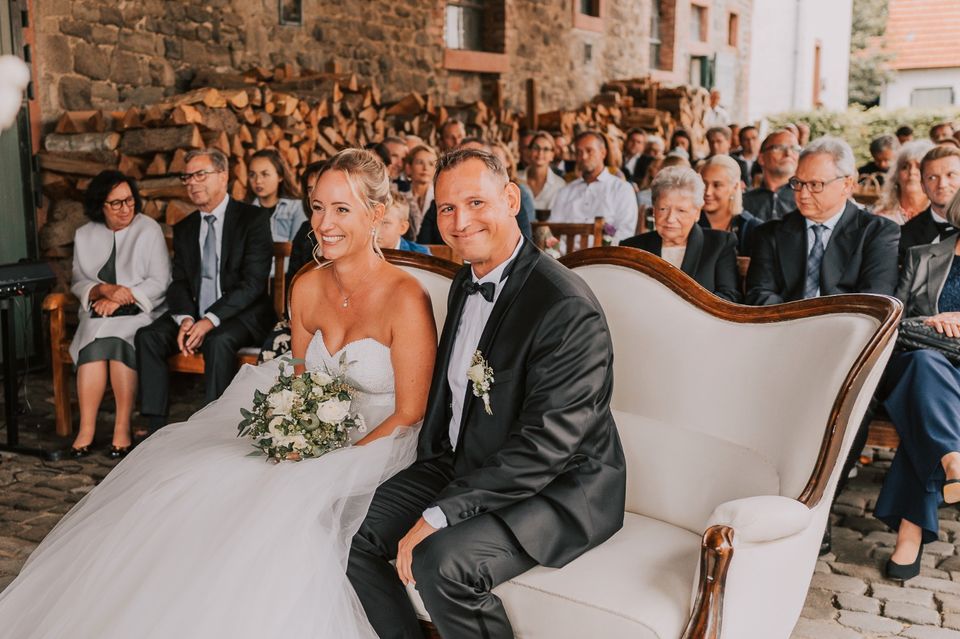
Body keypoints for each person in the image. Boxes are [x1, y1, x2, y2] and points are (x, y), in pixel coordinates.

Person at [0, 149, 438, 638]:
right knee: (186, 484)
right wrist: (291, 429)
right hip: (309, 431)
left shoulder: (406, 297)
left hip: (378, 442)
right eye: (317, 206)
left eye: (342, 209)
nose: (324, 223)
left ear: (377, 214)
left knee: (277, 513)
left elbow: (410, 410)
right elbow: (297, 378)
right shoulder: (307, 286)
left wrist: (331, 457)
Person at [347, 148, 625, 638]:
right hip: (462, 462)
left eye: (476, 202)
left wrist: (438, 515)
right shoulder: (464, 282)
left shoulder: (564, 307)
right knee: (348, 530)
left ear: (511, 199)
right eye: (448, 209)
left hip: (557, 486)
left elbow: (545, 447)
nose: (460, 221)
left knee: (442, 562)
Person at [135, 148, 276, 432]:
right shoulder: (185, 227)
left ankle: (213, 428)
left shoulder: (252, 219)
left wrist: (209, 320)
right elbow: (180, 282)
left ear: (223, 176)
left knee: (217, 340)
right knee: (148, 336)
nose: (192, 182)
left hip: (242, 314)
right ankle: (155, 427)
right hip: (196, 313)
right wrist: (186, 319)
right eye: (187, 177)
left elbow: (253, 284)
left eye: (200, 174)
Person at [874, 189, 960, 581]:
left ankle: (909, 533)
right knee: (925, 370)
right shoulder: (924, 255)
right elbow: (892, 321)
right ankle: (952, 461)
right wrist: (931, 322)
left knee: (925, 414)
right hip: (922, 363)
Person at [68, 171, 171, 458]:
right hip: (98, 312)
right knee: (92, 349)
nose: (126, 209)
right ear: (100, 206)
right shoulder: (84, 234)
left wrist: (122, 298)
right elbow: (78, 280)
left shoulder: (148, 228)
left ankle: (121, 428)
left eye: (129, 201)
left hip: (138, 312)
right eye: (116, 203)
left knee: (118, 344)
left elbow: (160, 280)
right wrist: (102, 290)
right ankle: (86, 430)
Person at [745, 136, 899, 305]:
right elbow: (760, 294)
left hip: (848, 328)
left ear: (846, 185)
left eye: (815, 184)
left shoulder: (877, 233)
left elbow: (873, 302)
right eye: (798, 183)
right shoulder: (770, 234)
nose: (803, 194)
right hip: (783, 327)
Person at [621, 166, 740, 302]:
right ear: (653, 209)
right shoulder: (632, 247)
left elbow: (730, 298)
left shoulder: (719, 244)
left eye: (681, 210)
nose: (670, 218)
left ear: (697, 213)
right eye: (663, 209)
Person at [550, 130, 638, 244]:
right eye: (579, 152)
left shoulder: (622, 189)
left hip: (606, 258)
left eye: (589, 150)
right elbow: (553, 229)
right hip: (565, 258)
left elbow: (625, 232)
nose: (584, 156)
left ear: (603, 153)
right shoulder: (565, 192)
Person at [898, 145, 960, 262]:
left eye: (950, 175)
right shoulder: (904, 236)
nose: (942, 184)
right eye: (932, 177)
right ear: (923, 186)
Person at [698, 155, 762, 256]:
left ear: (735, 187)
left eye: (717, 185)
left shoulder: (751, 228)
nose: (708, 192)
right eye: (704, 183)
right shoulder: (689, 223)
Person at [247, 149, 308, 249]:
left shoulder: (296, 208)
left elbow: (297, 251)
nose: (258, 181)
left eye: (265, 174)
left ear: (280, 176)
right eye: (252, 175)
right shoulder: (245, 211)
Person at [743, 129, 800, 222]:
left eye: (794, 149)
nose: (788, 153)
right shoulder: (744, 201)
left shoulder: (807, 198)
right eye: (779, 148)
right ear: (761, 158)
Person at [873, 140, 934, 226]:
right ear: (896, 176)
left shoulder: (942, 214)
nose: (912, 172)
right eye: (905, 167)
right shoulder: (881, 219)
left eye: (919, 167)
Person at [518, 130, 566, 212]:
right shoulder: (516, 179)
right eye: (536, 148)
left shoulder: (560, 185)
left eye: (546, 149)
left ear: (552, 155)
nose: (540, 153)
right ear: (530, 151)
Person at [406, 144, 438, 242]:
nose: (425, 168)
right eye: (420, 162)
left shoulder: (441, 198)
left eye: (431, 164)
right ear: (409, 168)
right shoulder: (400, 197)